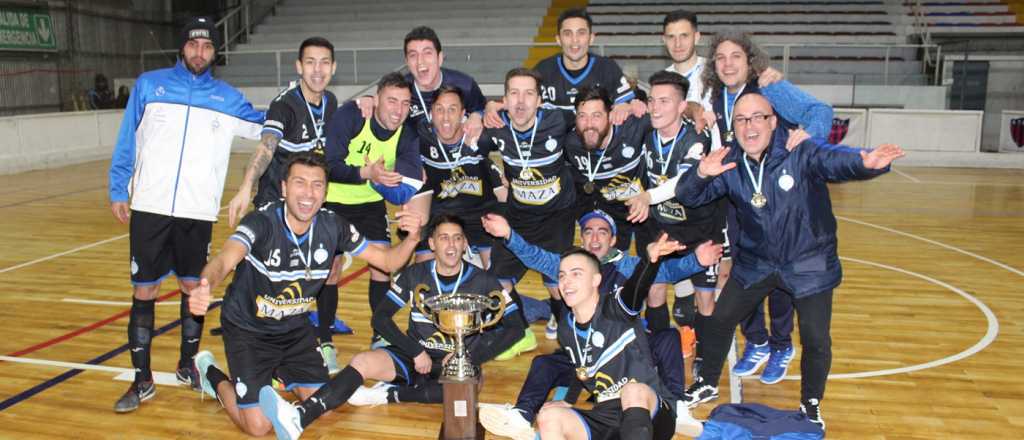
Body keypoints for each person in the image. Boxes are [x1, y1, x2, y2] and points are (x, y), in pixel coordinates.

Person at [677, 93, 905, 429]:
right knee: (721, 318)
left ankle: (811, 402)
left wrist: (864, 163)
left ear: (772, 121)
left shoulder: (799, 149)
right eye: (741, 119)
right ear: (734, 126)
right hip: (757, 261)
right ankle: (707, 382)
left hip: (807, 263)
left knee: (815, 338)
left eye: (757, 117)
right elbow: (688, 196)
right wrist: (700, 173)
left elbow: (833, 160)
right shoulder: (729, 162)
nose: (749, 125)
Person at [186, 152, 423, 437]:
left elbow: (387, 262)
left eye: (317, 185)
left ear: (325, 192)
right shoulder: (261, 223)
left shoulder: (333, 226)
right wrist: (206, 285)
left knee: (325, 408)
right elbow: (224, 260)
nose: (308, 193)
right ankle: (211, 373)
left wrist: (412, 239)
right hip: (248, 331)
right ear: (284, 188)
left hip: (294, 329)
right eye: (300, 183)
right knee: (259, 427)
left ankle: (280, 373)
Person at [107, 16, 264, 413]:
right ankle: (141, 380)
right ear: (182, 48)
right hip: (149, 207)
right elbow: (128, 138)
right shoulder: (149, 85)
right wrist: (117, 186)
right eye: (193, 45)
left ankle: (186, 365)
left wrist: (302, 100)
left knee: (195, 288)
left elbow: (269, 126)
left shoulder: (228, 99)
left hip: (197, 213)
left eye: (207, 47)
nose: (199, 53)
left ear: (215, 52)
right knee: (145, 291)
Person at [257, 215, 523, 440]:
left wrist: (470, 356)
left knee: (462, 393)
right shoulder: (415, 275)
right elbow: (381, 318)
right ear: (431, 243)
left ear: (465, 243)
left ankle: (390, 395)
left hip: (458, 363)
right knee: (362, 360)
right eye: (443, 238)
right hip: (414, 355)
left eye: (457, 238)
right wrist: (414, 350)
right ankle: (301, 417)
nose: (451, 244)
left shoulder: (484, 281)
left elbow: (516, 328)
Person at [478, 209, 721, 439]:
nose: (594, 237)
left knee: (666, 340)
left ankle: (677, 406)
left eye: (602, 231)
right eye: (588, 231)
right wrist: (508, 235)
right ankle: (522, 414)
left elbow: (655, 276)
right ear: (581, 238)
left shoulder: (624, 274)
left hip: (628, 352)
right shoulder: (569, 274)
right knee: (545, 373)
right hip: (594, 368)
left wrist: (690, 261)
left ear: (613, 240)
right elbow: (535, 256)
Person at [701, 31, 834, 384]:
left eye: (736, 57)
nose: (728, 64)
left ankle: (780, 345)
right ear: (713, 65)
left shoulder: (769, 87)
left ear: (750, 61)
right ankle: (756, 340)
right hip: (738, 194)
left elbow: (820, 110)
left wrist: (810, 137)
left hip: (778, 196)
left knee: (778, 276)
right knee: (746, 270)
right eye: (721, 58)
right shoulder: (716, 96)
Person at [224, 36, 345, 373]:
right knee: (266, 277)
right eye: (310, 62)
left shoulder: (331, 102)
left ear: (333, 68)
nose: (317, 70)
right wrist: (246, 185)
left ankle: (324, 341)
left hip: (310, 203)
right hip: (276, 204)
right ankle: (250, 338)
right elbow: (266, 147)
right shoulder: (285, 105)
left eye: (324, 63)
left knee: (330, 270)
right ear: (299, 66)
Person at [535, 245, 683, 440]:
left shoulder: (615, 308)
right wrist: (569, 400)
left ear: (596, 280)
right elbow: (582, 369)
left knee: (632, 390)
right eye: (562, 276)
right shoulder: (565, 329)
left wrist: (650, 260)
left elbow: (635, 290)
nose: (566, 282)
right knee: (548, 416)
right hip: (606, 415)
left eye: (576, 274)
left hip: (649, 411)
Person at [322, 72, 424, 348]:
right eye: (392, 101)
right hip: (334, 201)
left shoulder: (408, 132)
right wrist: (367, 172)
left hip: (370, 204)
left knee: (382, 267)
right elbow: (329, 166)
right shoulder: (351, 117)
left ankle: (380, 334)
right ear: (376, 99)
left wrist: (404, 187)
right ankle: (324, 340)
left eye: (405, 103)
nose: (398, 110)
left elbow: (411, 177)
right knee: (331, 270)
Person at [477, 67, 576, 340]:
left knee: (556, 281)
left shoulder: (558, 119)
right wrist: (479, 113)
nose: (521, 102)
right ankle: (518, 331)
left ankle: (564, 324)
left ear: (540, 100)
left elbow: (596, 118)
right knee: (498, 282)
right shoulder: (494, 128)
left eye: (529, 94)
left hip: (557, 216)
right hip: (519, 216)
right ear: (504, 100)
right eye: (514, 94)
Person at [407, 85, 504, 267]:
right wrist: (410, 166)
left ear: (463, 114)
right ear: (431, 113)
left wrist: (488, 108)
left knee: (496, 274)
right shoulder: (420, 137)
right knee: (422, 269)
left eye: (452, 110)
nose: (445, 117)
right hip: (441, 214)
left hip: (480, 214)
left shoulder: (481, 137)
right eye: (439, 110)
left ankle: (471, 254)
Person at [358, 26, 487, 139]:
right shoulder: (402, 90)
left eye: (427, 53)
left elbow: (485, 110)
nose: (421, 62)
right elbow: (382, 104)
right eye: (413, 55)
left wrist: (477, 115)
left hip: (459, 157)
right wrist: (368, 100)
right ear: (407, 62)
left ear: (440, 58)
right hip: (418, 160)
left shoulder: (465, 85)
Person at [564, 86, 649, 253]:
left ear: (610, 116)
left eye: (596, 116)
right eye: (582, 116)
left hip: (644, 209)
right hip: (608, 212)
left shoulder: (635, 127)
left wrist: (634, 105)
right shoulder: (570, 142)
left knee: (648, 264)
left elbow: (671, 113)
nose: (589, 124)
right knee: (605, 263)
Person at [532, 8, 639, 123]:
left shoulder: (608, 68)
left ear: (591, 38)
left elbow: (626, 104)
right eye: (567, 34)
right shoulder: (542, 70)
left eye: (581, 33)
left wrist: (625, 106)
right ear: (558, 39)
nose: (575, 40)